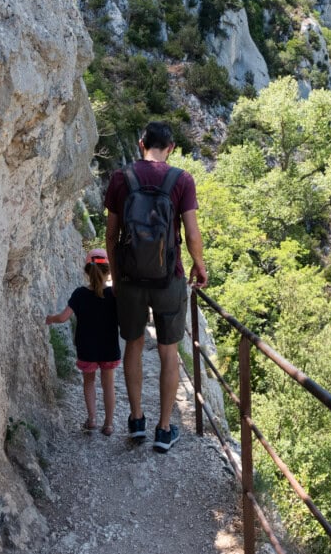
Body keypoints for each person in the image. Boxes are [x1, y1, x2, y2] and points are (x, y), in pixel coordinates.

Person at [104, 121, 208, 453]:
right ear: (171, 148)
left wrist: (118, 277)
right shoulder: (181, 180)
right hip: (169, 279)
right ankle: (164, 429)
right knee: (168, 352)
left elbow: (111, 234)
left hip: (131, 280)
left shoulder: (121, 178)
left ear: (140, 143)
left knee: (132, 346)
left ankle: (136, 421)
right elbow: (192, 234)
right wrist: (199, 265)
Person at [45, 248, 121, 435]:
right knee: (108, 385)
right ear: (109, 271)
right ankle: (109, 424)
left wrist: (50, 319)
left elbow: (63, 318)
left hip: (86, 348)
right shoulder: (114, 294)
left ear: (86, 271)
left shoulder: (79, 294)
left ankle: (92, 419)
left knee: (89, 382)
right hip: (109, 347)